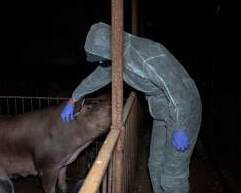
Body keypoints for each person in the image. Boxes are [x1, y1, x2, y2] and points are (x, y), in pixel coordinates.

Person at [60, 22, 202, 193]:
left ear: (107, 48)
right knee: (155, 165)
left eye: (99, 57)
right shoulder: (118, 58)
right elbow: (96, 78)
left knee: (172, 177)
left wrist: (180, 127)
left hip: (184, 109)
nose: (99, 61)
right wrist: (73, 99)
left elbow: (178, 92)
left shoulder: (147, 57)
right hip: (163, 111)